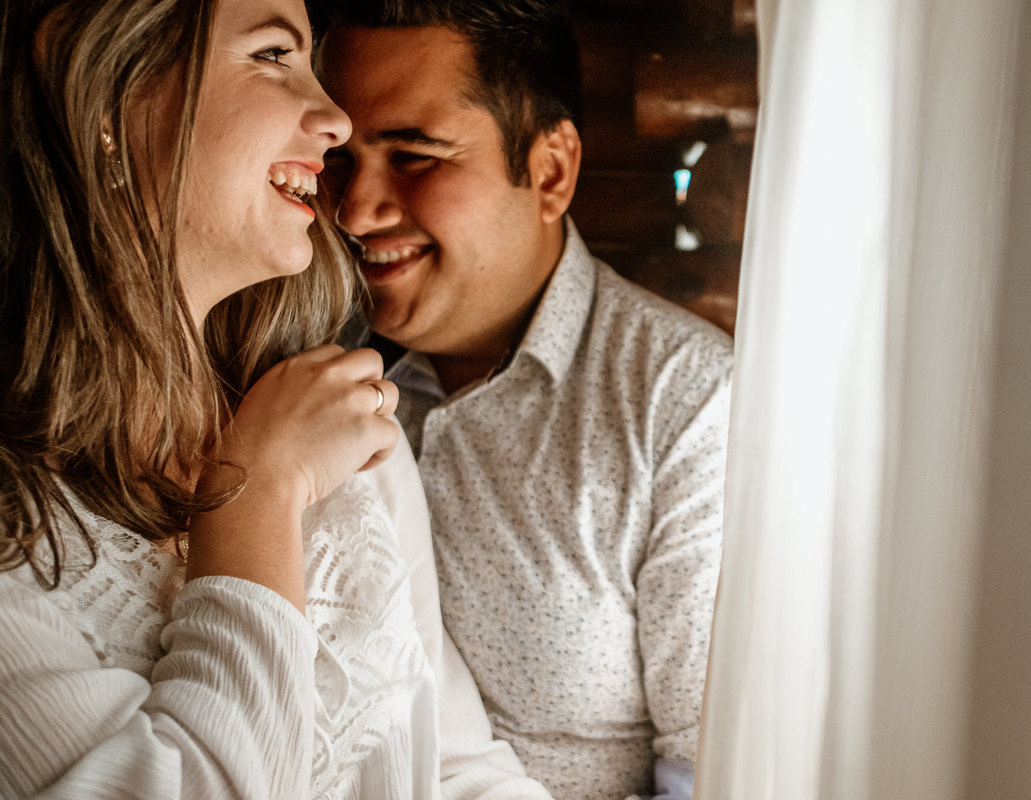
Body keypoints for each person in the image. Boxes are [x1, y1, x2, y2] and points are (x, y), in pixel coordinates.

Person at [0, 1, 553, 798]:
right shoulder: (20, 520)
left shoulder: (334, 425)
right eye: (271, 56)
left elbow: (455, 769)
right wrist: (253, 500)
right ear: (106, 96)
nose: (334, 117)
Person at [314, 2, 733, 797]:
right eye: (338, 159)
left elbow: (709, 778)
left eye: (414, 156)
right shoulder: (297, 367)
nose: (355, 210)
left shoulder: (687, 407)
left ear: (550, 171)